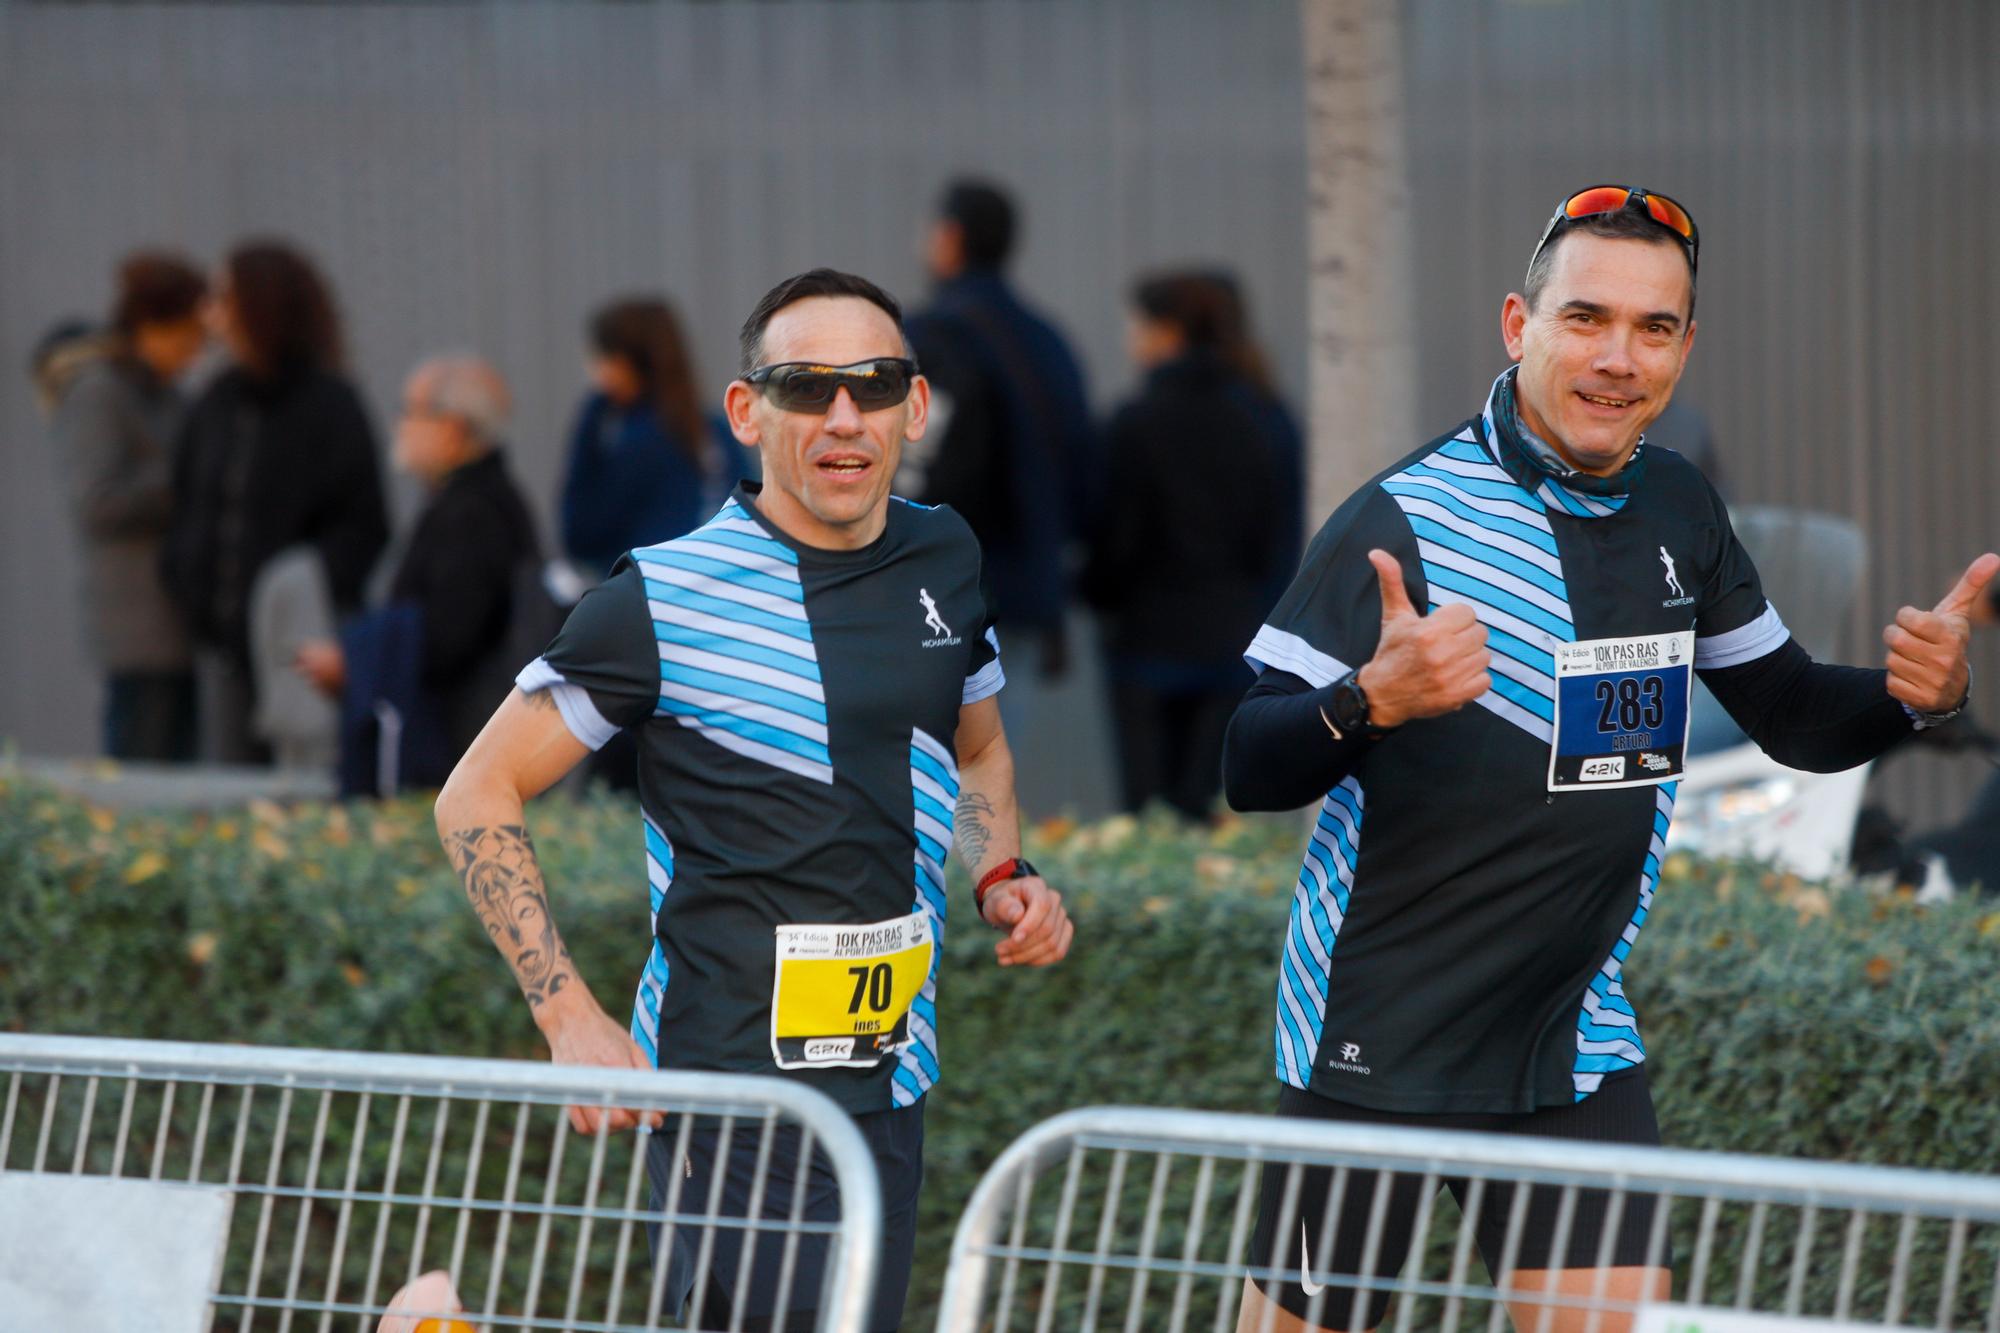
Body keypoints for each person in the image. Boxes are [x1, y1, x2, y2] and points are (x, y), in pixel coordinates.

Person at [1221, 185, 1997, 1333]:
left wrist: (1909, 698)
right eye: (1583, 318)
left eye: (1653, 327)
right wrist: (1367, 699)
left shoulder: (1680, 505)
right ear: (1515, 326)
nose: (1616, 357)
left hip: (1570, 1031)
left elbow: (1786, 709)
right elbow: (1249, 763)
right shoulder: (1403, 517)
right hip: (1378, 1034)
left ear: (1684, 346)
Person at [434, 268, 1074, 1331]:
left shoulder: (945, 555)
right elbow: (475, 794)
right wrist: (568, 1016)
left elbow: (979, 752)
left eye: (873, 384)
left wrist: (1001, 873)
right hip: (726, 1094)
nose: (842, 415)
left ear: (914, 408)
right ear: (746, 412)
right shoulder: (658, 596)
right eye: (803, 386)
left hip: (891, 1075)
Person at [162, 240, 389, 764]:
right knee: (232, 795)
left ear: (258, 303)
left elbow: (366, 525)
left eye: (222, 296)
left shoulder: (331, 405)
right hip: (222, 651)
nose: (208, 313)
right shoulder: (215, 402)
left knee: (304, 788)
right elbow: (187, 509)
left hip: (299, 651)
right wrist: (187, 583)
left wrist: (301, 590)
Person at [1081, 271, 1291, 820]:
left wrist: (1095, 594)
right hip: (1234, 644)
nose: (1132, 342)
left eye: (1138, 328)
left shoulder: (1135, 420)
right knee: (1211, 815)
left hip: (1144, 645)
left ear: (1168, 333)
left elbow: (1115, 538)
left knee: (1149, 819)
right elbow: (1278, 540)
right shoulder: (1265, 417)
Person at [295, 355, 542, 791]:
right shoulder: (472, 501)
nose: (401, 426)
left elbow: (446, 638)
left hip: (457, 748)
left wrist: (355, 661)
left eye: (411, 411)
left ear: (451, 429)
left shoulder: (474, 513)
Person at [901, 178, 1095, 682]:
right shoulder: (1048, 341)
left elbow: (917, 467)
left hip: (941, 598)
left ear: (950, 237)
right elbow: (1083, 471)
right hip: (1027, 591)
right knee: (995, 756)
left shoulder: (938, 336)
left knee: (932, 757)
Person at [49, 252, 209, 761]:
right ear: (152, 327)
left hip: (178, 617)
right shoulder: (100, 391)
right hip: (136, 622)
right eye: (188, 334)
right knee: (145, 765)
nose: (196, 350)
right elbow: (97, 501)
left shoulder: (170, 395)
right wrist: (182, 481)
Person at [559, 296, 747, 578]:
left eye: (600, 360)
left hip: (652, 601)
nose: (595, 374)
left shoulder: (640, 443)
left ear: (622, 365)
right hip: (717, 591)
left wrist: (591, 416)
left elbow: (580, 536)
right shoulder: (715, 430)